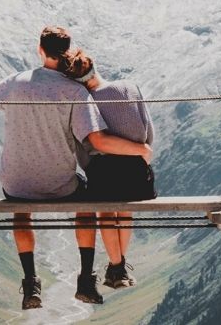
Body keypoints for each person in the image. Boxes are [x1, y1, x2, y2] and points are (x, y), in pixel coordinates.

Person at [0, 26, 152, 310]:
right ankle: (86, 280)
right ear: (67, 51)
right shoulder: (74, 91)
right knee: (87, 202)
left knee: (20, 209)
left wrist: (15, 105)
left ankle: (31, 282)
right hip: (60, 184)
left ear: (39, 49)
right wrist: (141, 150)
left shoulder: (16, 82)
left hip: (16, 182)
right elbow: (96, 139)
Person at [60, 53, 156, 290]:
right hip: (139, 174)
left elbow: (88, 145)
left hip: (104, 174)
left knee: (105, 212)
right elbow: (149, 134)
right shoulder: (129, 87)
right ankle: (118, 268)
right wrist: (139, 151)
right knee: (125, 212)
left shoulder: (85, 101)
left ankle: (117, 266)